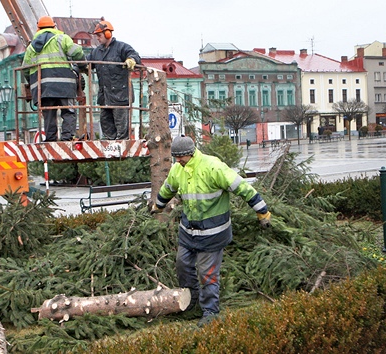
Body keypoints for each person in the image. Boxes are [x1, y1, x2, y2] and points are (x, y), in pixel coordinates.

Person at [152, 136, 271, 327]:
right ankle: (191, 300)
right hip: (188, 231)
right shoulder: (178, 170)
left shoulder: (213, 167)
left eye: (181, 157)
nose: (178, 161)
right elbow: (168, 189)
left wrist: (262, 211)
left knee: (207, 273)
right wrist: (158, 206)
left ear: (190, 153)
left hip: (213, 233)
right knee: (183, 265)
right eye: (175, 158)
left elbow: (242, 187)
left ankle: (210, 310)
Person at [22, 16, 85, 141]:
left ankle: (50, 138)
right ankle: (67, 137)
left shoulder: (31, 47)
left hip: (43, 88)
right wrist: (83, 64)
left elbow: (25, 68)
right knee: (68, 112)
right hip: (64, 85)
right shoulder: (62, 39)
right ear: (54, 26)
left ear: (38, 29)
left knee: (48, 113)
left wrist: (32, 82)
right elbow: (77, 52)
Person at [86, 18, 141, 140]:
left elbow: (134, 55)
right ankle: (110, 147)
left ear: (108, 34)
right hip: (105, 97)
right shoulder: (96, 52)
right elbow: (87, 61)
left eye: (99, 35)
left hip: (120, 96)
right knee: (105, 124)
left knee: (122, 128)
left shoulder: (121, 48)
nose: (97, 38)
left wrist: (131, 60)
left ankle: (121, 147)